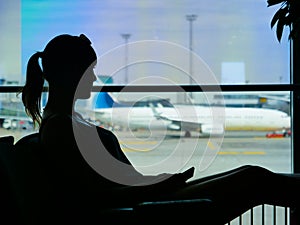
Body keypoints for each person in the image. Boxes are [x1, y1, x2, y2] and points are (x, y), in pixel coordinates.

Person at [21, 33, 299, 224]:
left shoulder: (67, 122)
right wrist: (160, 185)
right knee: (254, 179)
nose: (94, 77)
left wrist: (160, 182)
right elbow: (96, 196)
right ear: (70, 72)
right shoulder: (60, 128)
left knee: (252, 174)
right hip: (144, 207)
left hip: (148, 195)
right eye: (90, 69)